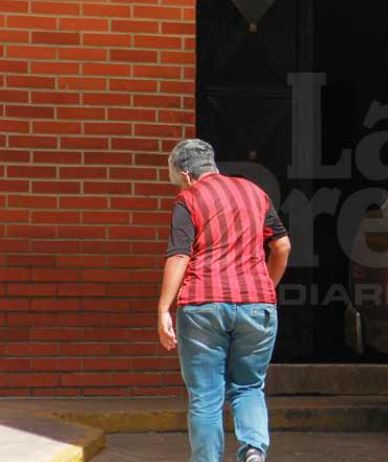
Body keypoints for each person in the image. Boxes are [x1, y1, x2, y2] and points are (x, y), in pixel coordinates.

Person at [157, 139, 291, 462]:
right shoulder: (254, 193)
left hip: (203, 305)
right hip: (257, 304)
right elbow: (282, 246)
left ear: (187, 175)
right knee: (249, 387)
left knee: (205, 396)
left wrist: (163, 308)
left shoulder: (189, 199)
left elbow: (179, 255)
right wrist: (265, 287)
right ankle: (254, 452)